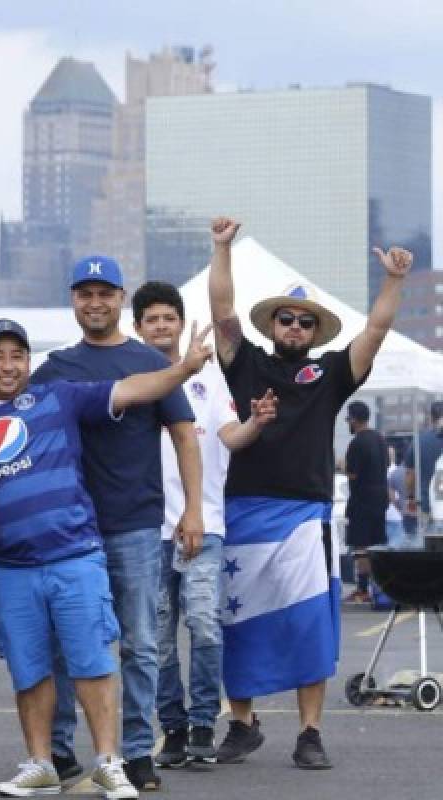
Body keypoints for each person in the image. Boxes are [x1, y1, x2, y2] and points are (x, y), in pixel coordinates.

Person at [0, 318, 214, 800]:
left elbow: (135, 388)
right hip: (10, 567)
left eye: (17, 356)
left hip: (74, 553)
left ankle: (110, 763)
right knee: (29, 669)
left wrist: (183, 368)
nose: (8, 366)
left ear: (29, 363)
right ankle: (40, 763)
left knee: (93, 661)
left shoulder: (59, 396)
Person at [207, 217, 412, 769]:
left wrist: (392, 282)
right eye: (286, 318)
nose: (294, 326)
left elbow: (374, 333)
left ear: (312, 330)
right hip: (244, 511)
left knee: (308, 625)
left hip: (303, 515)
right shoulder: (244, 362)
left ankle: (310, 733)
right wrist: (221, 248)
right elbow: (223, 313)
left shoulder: (328, 373)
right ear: (273, 322)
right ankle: (242, 725)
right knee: (239, 623)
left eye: (303, 321)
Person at [30, 257, 202, 791]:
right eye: (85, 293)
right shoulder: (55, 367)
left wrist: (193, 509)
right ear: (74, 301)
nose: (95, 302)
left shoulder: (149, 360)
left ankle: (135, 753)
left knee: (141, 643)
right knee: (63, 642)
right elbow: (19, 435)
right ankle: (59, 750)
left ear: (120, 298)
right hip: (70, 529)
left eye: (105, 292)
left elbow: (184, 435)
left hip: (135, 523)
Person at [131, 281, 277, 768]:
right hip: (146, 533)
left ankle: (201, 723)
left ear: (179, 323)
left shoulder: (207, 379)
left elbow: (230, 437)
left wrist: (255, 424)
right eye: (150, 319)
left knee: (204, 626)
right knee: (156, 637)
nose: (160, 326)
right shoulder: (131, 384)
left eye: (167, 318)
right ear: (138, 328)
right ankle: (171, 728)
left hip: (203, 525)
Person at [343, 402, 389, 603]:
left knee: (361, 546)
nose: (348, 424)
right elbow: (385, 465)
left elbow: (353, 474)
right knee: (378, 545)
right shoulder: (380, 439)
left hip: (362, 501)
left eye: (348, 420)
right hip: (380, 499)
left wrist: (343, 465)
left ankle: (362, 589)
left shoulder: (357, 443)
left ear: (353, 419)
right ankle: (380, 588)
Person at [405, 401, 443, 534]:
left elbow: (410, 474)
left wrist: (410, 497)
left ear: (431, 418)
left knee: (429, 548)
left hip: (426, 506)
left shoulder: (419, 441)